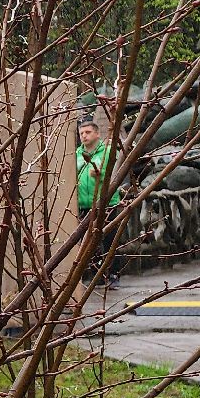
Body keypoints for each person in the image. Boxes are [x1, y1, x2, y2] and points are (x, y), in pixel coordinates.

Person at [76, 118, 122, 287]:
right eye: (81, 133)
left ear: (97, 134)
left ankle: (113, 274)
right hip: (84, 205)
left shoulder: (108, 152)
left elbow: (115, 172)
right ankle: (97, 275)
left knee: (109, 239)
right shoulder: (76, 155)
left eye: (88, 132)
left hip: (105, 203)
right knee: (89, 242)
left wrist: (100, 174)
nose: (84, 136)